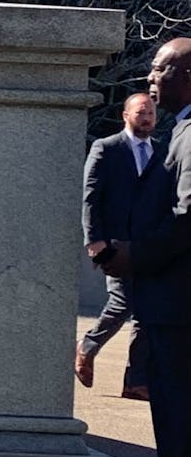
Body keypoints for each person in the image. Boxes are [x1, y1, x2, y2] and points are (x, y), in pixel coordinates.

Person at [101, 37, 191, 457]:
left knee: (177, 401)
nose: (151, 78)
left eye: (160, 69)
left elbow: (188, 216)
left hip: (178, 301)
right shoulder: (179, 129)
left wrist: (135, 255)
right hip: (170, 296)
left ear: (186, 76)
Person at [77, 91, 160, 397]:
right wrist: (94, 239)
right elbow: (90, 196)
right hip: (113, 243)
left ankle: (136, 381)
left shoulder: (161, 151)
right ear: (126, 115)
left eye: (151, 112)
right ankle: (88, 344)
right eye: (141, 112)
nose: (147, 117)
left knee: (147, 310)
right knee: (123, 302)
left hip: (149, 245)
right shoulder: (106, 148)